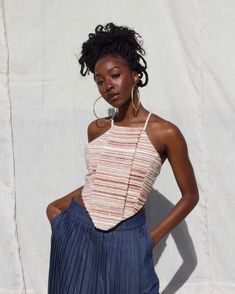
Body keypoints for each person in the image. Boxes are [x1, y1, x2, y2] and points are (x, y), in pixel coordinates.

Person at [46, 22, 199, 294]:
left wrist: (149, 239)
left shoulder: (165, 132)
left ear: (135, 75)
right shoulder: (97, 129)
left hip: (129, 239)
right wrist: (57, 212)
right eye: (100, 80)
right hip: (81, 233)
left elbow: (190, 196)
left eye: (115, 75)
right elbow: (100, 180)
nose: (108, 86)